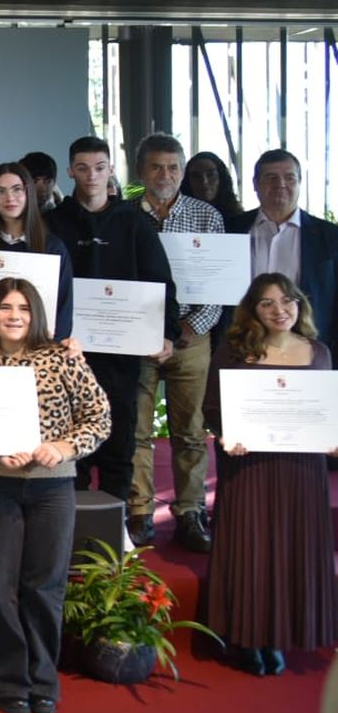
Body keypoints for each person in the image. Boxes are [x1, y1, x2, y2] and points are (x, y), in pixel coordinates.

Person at [0, 279, 110, 713]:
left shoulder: (62, 357)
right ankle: (7, 679)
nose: (14, 315)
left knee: (44, 586)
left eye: (23, 307)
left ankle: (43, 679)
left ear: (36, 313)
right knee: (0, 587)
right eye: (5, 307)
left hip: (52, 486)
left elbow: (98, 416)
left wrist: (62, 448)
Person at [202, 274, 336, 675]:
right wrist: (228, 435)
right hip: (249, 467)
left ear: (300, 305)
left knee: (292, 545)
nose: (280, 310)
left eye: (287, 300)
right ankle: (245, 637)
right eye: (267, 303)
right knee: (252, 548)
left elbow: (327, 411)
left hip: (301, 470)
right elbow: (211, 408)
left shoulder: (319, 352)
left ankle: (279, 636)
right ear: (252, 310)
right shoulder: (233, 350)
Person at [45, 136, 179, 512]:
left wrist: (167, 332)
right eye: (83, 168)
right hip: (67, 355)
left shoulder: (134, 222)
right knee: (73, 450)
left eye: (100, 167)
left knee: (120, 443)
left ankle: (120, 530)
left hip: (121, 354)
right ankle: (72, 534)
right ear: (70, 170)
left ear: (110, 170)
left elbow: (161, 280)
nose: (92, 176)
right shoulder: (52, 223)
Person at [127, 134, 224, 552]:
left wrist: (190, 326)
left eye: (172, 167)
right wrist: (143, 329)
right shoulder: (125, 216)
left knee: (189, 432)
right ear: (140, 172)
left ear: (182, 171)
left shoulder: (206, 217)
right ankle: (140, 512)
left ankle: (189, 513)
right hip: (139, 340)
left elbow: (221, 285)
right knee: (137, 431)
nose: (165, 175)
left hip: (191, 337)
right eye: (156, 167)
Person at [226, 149, 338, 351]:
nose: (281, 184)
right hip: (243, 342)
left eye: (289, 177)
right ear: (255, 184)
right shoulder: (230, 229)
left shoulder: (330, 237)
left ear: (300, 182)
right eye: (271, 178)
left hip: (310, 345)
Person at [0, 163, 75, 340]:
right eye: (0, 191)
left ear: (28, 193)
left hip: (38, 350)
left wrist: (48, 351)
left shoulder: (53, 248)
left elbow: (63, 311)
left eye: (17, 189)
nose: (9, 197)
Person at [181, 150, 243, 220]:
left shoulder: (239, 219)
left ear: (221, 178)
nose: (204, 181)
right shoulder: (180, 217)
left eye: (210, 175)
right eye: (196, 176)